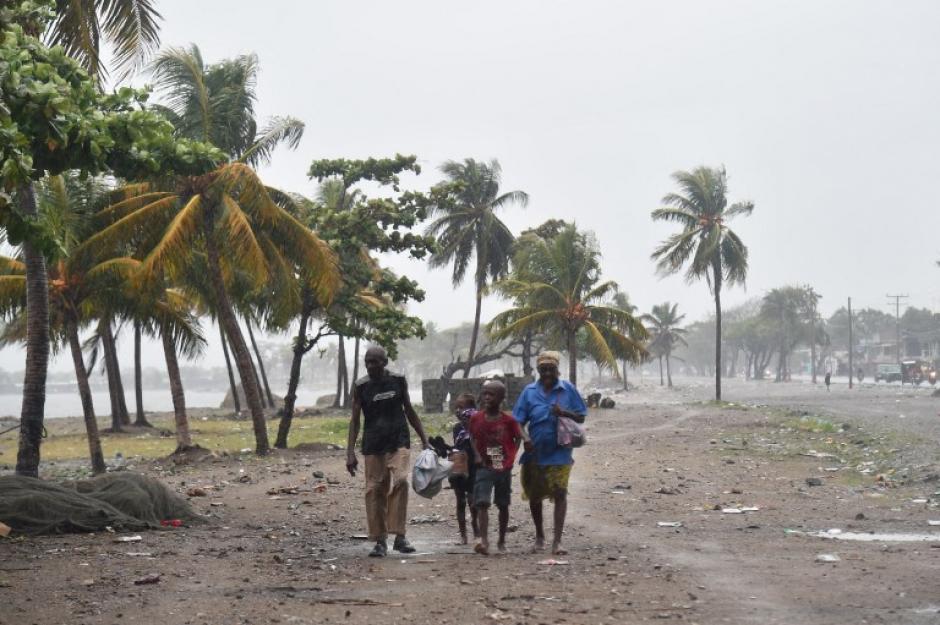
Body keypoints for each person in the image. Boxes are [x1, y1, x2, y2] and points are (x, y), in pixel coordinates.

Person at [346, 346, 429, 558]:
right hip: (373, 444)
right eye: (367, 362)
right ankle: (380, 540)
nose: (370, 366)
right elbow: (355, 420)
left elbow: (409, 410)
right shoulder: (361, 386)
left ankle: (399, 536)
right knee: (375, 490)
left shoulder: (398, 381)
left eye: (374, 362)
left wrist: (424, 439)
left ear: (385, 362)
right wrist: (350, 452)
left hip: (398, 440)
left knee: (401, 480)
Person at [514, 351, 587, 555]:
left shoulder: (568, 390)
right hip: (534, 452)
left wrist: (564, 412)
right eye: (543, 369)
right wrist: (525, 438)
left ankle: (557, 541)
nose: (547, 373)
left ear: (557, 370)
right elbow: (518, 422)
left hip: (560, 452)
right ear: (538, 370)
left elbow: (581, 417)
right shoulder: (528, 392)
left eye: (551, 369)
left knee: (560, 493)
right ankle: (539, 536)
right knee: (534, 496)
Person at [468, 380, 527, 555]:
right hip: (484, 466)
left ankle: (502, 540)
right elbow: (472, 438)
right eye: (485, 393)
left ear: (501, 398)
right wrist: (477, 455)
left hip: (503, 467)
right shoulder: (476, 418)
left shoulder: (509, 420)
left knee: (503, 503)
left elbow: (518, 437)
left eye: (491, 394)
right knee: (482, 503)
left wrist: (512, 456)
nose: (487, 397)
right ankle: (484, 540)